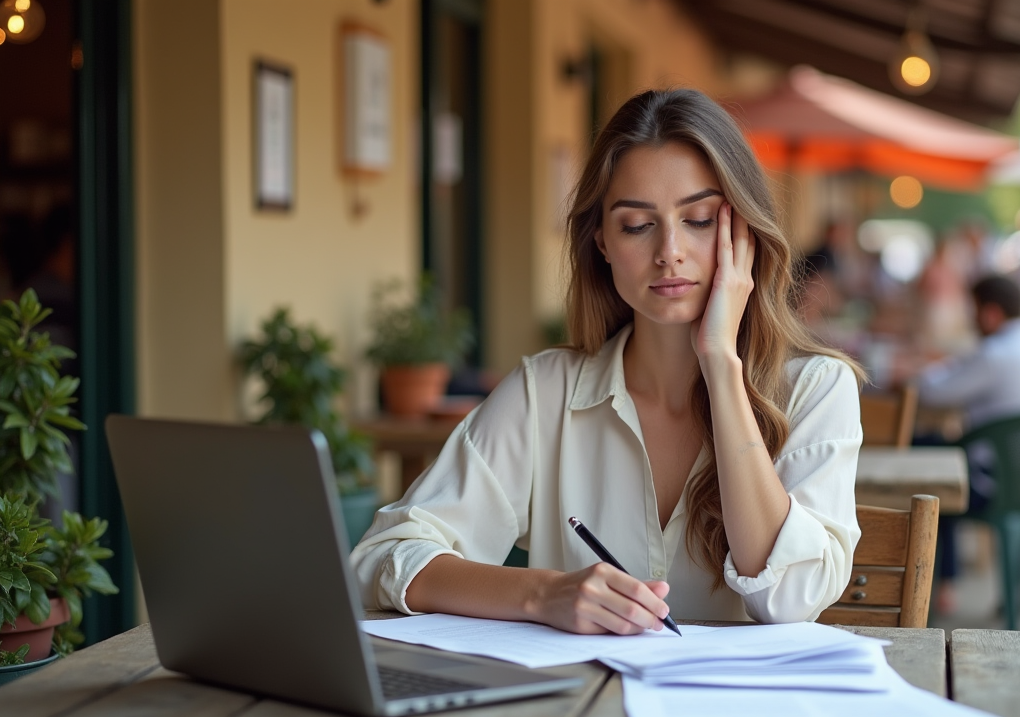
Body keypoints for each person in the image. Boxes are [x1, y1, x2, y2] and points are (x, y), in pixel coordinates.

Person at [351, 89, 864, 633]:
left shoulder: (817, 389)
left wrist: (720, 365)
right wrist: (541, 593)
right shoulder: (544, 392)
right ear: (601, 241)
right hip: (570, 714)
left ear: (744, 232)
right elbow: (384, 557)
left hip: (745, 716)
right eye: (637, 225)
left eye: (699, 219)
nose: (669, 250)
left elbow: (788, 599)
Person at [913, 276, 1020, 614]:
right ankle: (1003, 590)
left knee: (930, 477)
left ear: (990, 313)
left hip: (994, 488)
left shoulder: (994, 354)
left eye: (973, 311)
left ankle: (943, 588)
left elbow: (931, 391)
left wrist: (933, 365)